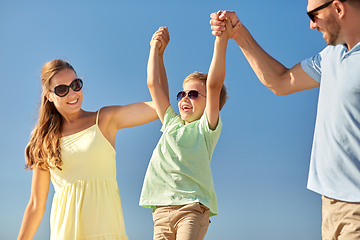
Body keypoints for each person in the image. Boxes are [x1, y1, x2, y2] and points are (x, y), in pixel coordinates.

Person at [210, 1, 360, 239]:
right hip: (331, 206)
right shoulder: (331, 56)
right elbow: (280, 81)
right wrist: (238, 32)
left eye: (314, 15)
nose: (311, 25)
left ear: (338, 8)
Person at [17, 59, 163, 240]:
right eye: (62, 89)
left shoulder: (104, 120)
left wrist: (157, 55)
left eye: (75, 85)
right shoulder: (45, 141)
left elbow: (160, 107)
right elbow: (36, 205)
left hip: (108, 232)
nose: (72, 94)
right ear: (49, 95)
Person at [139, 21, 232, 240]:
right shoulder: (171, 123)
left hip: (192, 209)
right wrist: (156, 50)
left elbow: (214, 84)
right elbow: (155, 85)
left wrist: (221, 39)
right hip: (161, 211)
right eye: (183, 94)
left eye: (194, 94)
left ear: (212, 104)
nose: (185, 98)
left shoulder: (206, 129)